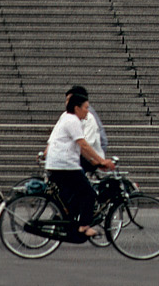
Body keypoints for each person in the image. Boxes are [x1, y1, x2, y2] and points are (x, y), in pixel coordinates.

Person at [45, 93, 115, 238]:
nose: (87, 111)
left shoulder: (66, 118)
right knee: (89, 193)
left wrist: (95, 162)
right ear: (77, 108)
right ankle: (84, 226)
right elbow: (83, 144)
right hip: (65, 165)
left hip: (58, 164)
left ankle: (69, 224)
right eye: (85, 108)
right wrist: (102, 161)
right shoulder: (73, 121)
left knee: (75, 194)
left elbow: (82, 148)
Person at [65, 85, 107, 169]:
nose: (66, 103)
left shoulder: (89, 116)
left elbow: (85, 144)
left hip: (87, 156)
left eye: (69, 100)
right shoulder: (66, 116)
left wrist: (99, 161)